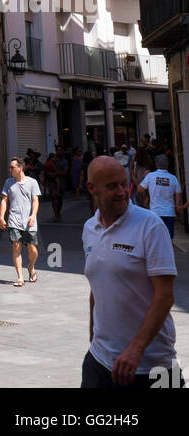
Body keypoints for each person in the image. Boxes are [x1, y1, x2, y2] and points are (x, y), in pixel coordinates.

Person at [82, 155, 182, 388]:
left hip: (152, 366)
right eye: (111, 186)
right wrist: (93, 336)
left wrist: (136, 349)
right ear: (91, 188)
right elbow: (97, 287)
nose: (122, 192)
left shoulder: (151, 226)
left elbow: (165, 296)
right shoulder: (89, 228)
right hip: (100, 362)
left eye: (123, 184)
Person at [0, 157, 40, 286]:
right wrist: (1, 216)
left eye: (12, 167)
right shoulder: (8, 182)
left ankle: (31, 267)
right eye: (10, 167)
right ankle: (20, 277)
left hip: (29, 221)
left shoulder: (32, 182)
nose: (10, 169)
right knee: (16, 247)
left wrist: (33, 215)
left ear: (20, 168)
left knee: (32, 250)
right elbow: (4, 200)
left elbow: (35, 200)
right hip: (14, 220)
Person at [139, 155, 187, 240]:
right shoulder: (173, 178)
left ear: (156, 164)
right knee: (168, 239)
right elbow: (178, 199)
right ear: (167, 164)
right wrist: (178, 209)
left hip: (155, 212)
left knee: (155, 239)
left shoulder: (150, 176)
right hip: (169, 213)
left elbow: (140, 189)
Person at [42, 150, 62, 222]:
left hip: (53, 183)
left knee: (56, 200)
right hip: (52, 183)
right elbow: (51, 174)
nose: (56, 159)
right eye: (54, 157)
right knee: (55, 200)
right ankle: (56, 215)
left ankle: (57, 214)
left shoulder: (53, 164)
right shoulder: (50, 164)